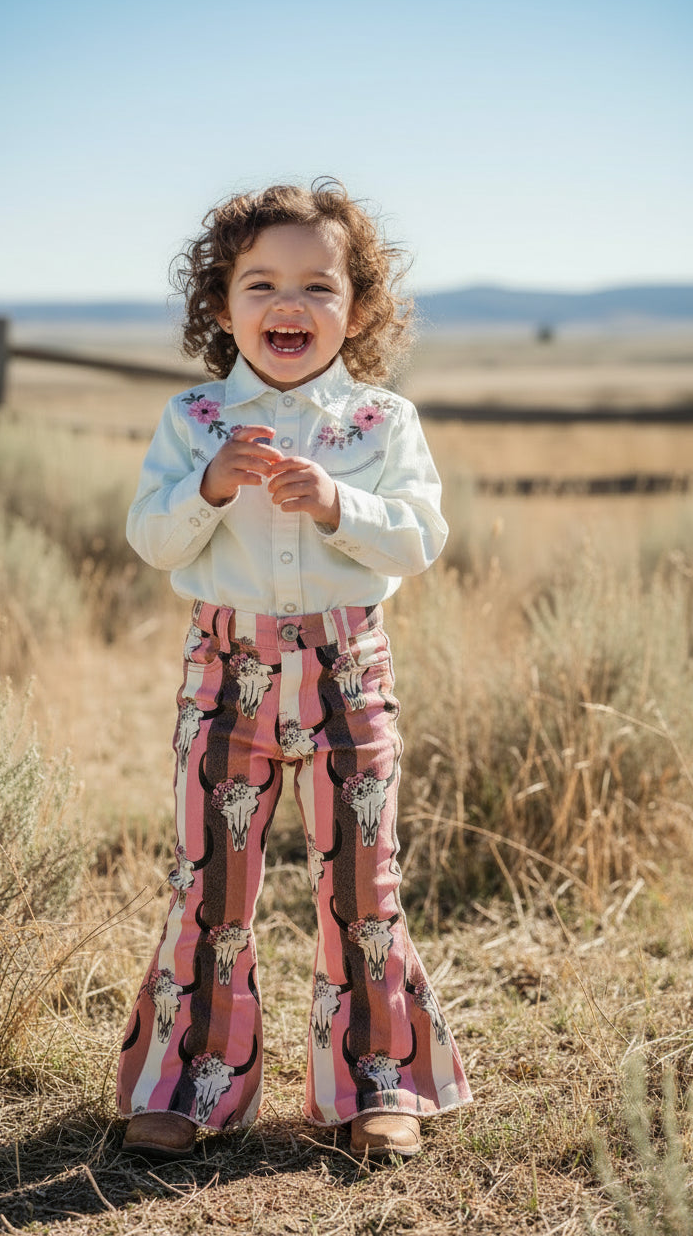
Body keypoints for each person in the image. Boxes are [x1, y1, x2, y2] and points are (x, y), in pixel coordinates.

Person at [117, 178, 472, 1161]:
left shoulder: (380, 422)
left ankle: (377, 1087)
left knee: (362, 880)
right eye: (260, 282)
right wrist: (209, 486)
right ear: (221, 304)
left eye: (318, 287)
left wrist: (335, 507)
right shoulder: (191, 419)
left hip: (345, 667)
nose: (289, 305)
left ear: (355, 309)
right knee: (209, 878)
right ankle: (189, 1087)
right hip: (222, 668)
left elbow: (419, 539)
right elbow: (151, 536)